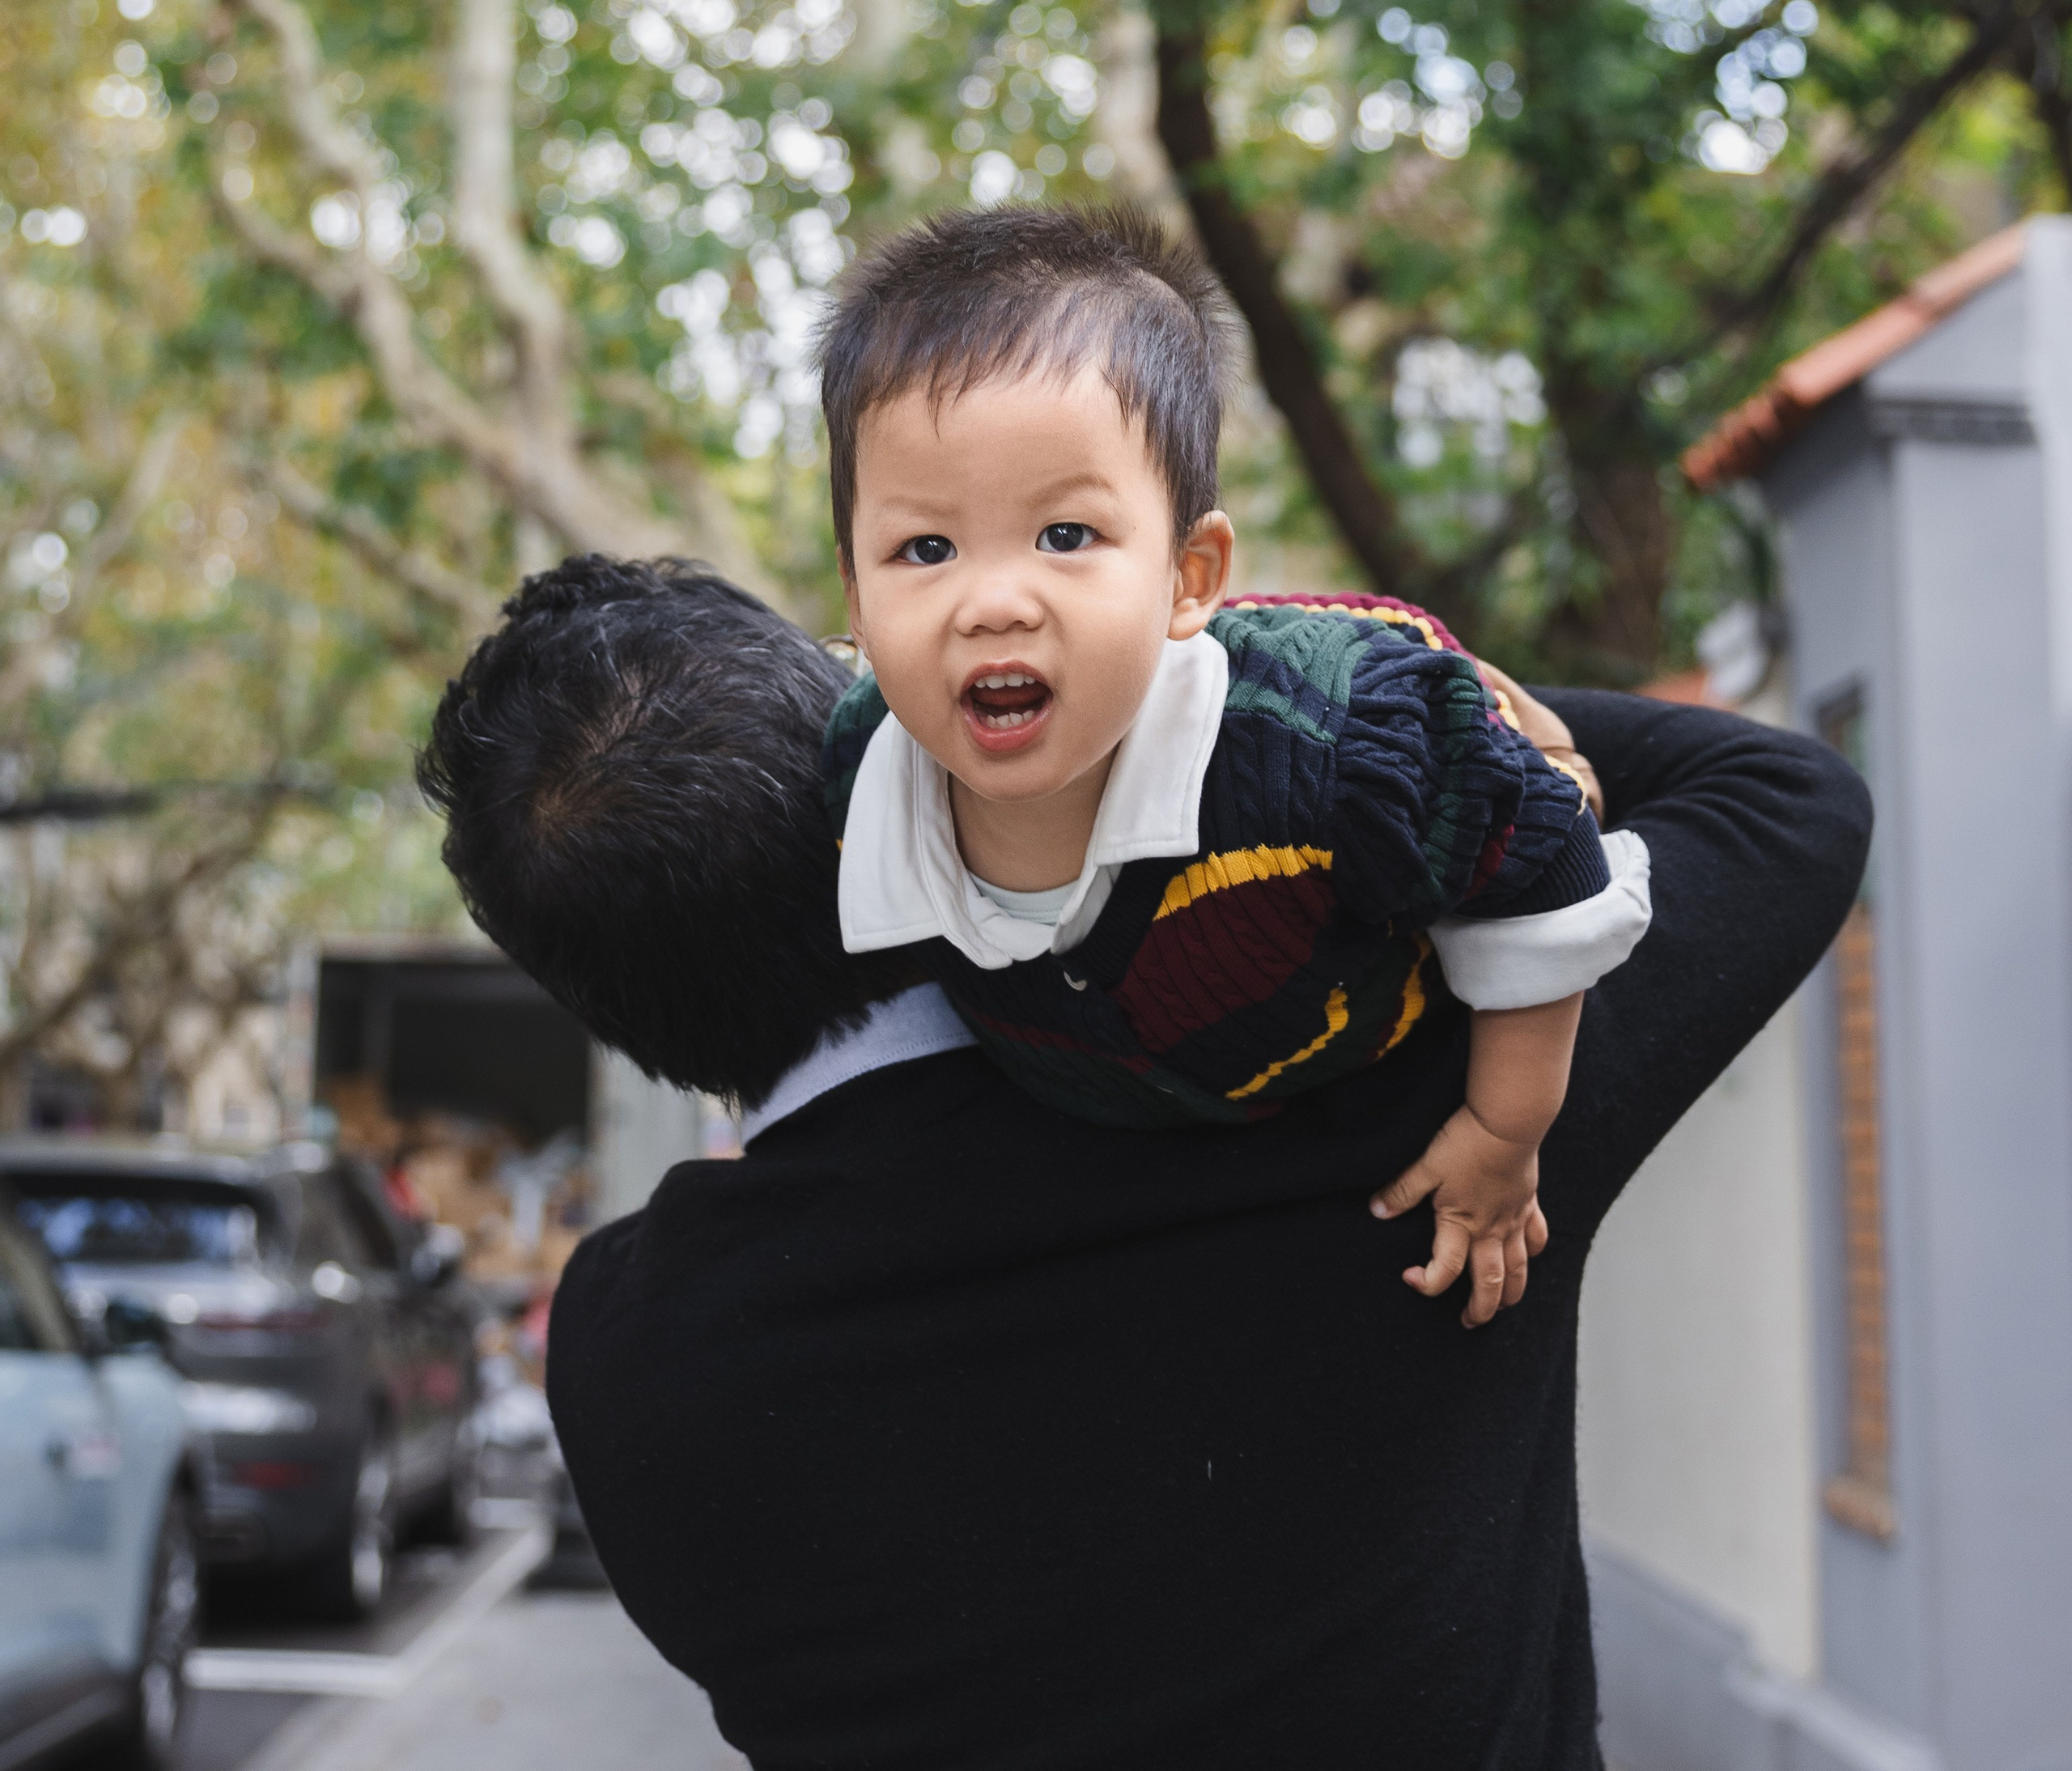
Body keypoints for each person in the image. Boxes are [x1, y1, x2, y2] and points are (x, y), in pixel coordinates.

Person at [420, 554, 1870, 1771]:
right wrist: (1223, 686)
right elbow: (1779, 795)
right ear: (890, 757)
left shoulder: (626, 1365)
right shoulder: (1396, 1073)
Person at [819, 205, 1649, 1317]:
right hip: (1182, 1079)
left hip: (1422, 823)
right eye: (925, 548)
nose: (993, 602)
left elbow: (1548, 870)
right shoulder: (860, 780)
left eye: (1066, 536)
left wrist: (1505, 1132)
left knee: (1529, 793)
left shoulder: (1333, 760)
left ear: (1190, 574)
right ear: (856, 598)